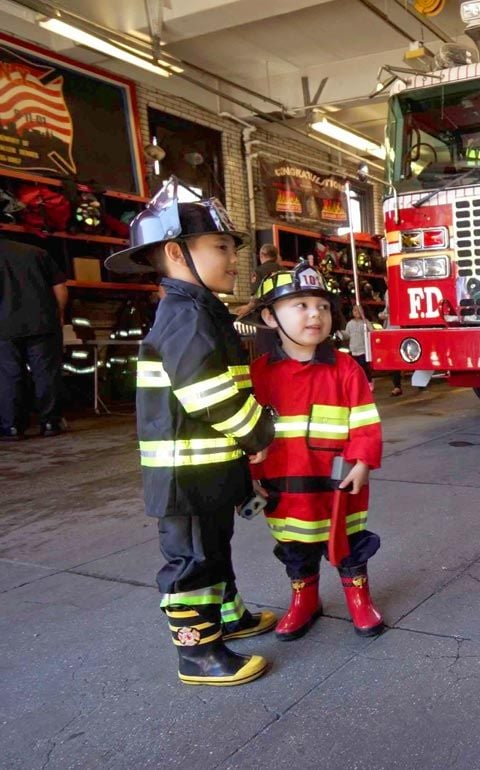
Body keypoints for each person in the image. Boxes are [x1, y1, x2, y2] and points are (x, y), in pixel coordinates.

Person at [105, 177, 279, 687]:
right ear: (178, 254)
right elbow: (207, 395)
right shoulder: (185, 316)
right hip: (184, 473)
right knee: (192, 560)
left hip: (209, 467)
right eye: (221, 247)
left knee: (216, 546)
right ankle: (196, 653)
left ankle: (228, 618)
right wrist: (258, 432)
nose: (233, 258)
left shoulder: (202, 311)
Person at [241, 264, 386, 639]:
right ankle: (304, 600)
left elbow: (365, 421)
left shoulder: (346, 369)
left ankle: (359, 599)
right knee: (294, 546)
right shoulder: (257, 374)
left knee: (349, 543)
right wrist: (248, 480)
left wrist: (363, 461)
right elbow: (246, 435)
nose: (314, 314)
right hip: (283, 487)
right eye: (301, 305)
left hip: (339, 485)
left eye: (321, 305)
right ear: (270, 317)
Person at [0, 237, 67, 439]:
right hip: (42, 323)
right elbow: (60, 287)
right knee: (45, 374)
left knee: (8, 376)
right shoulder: (36, 252)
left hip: (4, 327)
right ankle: (50, 423)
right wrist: (59, 315)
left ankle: (11, 427)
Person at [342, 305, 374, 390]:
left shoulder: (365, 322)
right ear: (352, 312)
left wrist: (365, 321)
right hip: (354, 349)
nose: (357, 312)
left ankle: (369, 382)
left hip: (363, 349)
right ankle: (358, 383)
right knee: (356, 368)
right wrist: (341, 334)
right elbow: (347, 334)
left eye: (360, 310)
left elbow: (371, 331)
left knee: (364, 367)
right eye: (355, 310)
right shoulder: (350, 323)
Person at [375, 302, 403, 396]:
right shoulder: (387, 297)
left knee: (397, 360)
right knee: (393, 361)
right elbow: (383, 314)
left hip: (397, 333)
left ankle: (398, 386)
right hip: (389, 334)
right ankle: (397, 386)